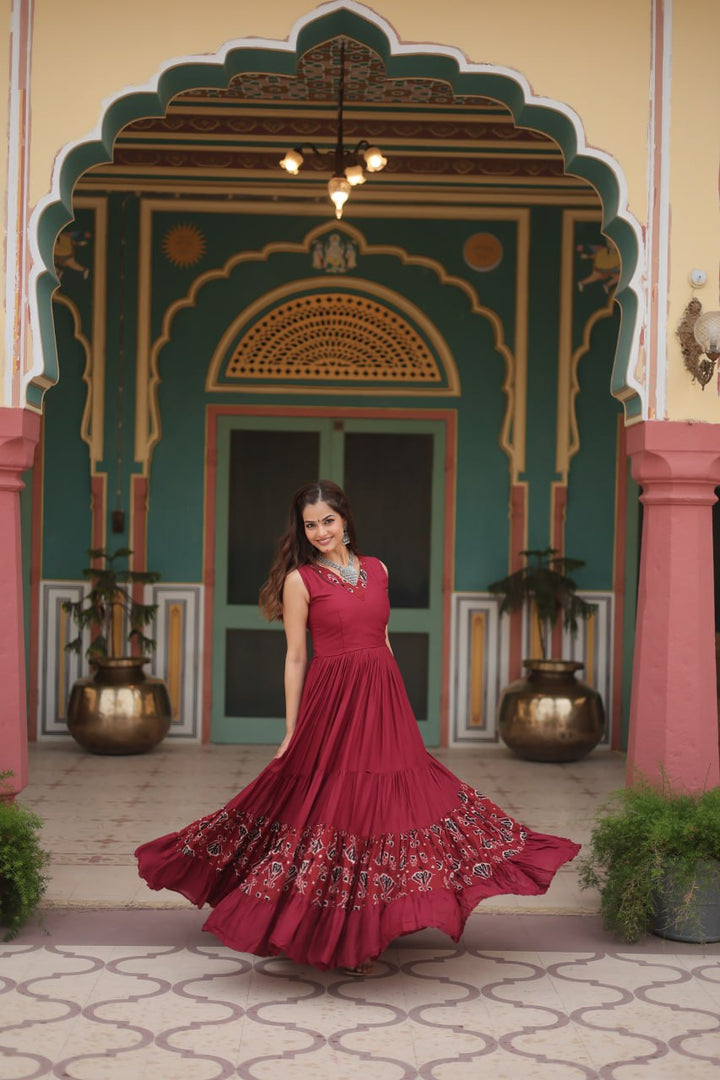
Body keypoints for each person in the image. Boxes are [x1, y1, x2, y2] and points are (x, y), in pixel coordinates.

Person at [135, 479, 580, 974]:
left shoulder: (378, 570)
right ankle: (331, 932)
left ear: (345, 520)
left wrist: (398, 706)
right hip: (332, 701)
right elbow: (296, 656)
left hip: (382, 697)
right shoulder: (301, 580)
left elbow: (384, 641)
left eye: (328, 520)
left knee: (389, 807)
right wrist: (291, 728)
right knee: (334, 807)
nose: (321, 531)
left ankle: (371, 925)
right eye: (311, 525)